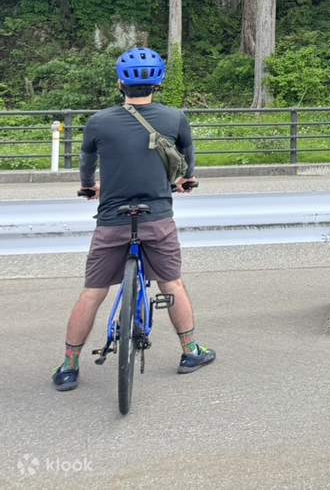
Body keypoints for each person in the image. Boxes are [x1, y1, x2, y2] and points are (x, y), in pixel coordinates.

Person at [53, 47, 214, 392]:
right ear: (159, 84)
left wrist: (87, 187)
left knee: (92, 293)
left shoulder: (98, 122)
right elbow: (187, 157)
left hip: (112, 219)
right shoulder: (175, 118)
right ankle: (191, 352)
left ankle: (69, 366)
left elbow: (86, 164)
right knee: (172, 284)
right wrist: (186, 180)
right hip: (157, 217)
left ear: (119, 84)